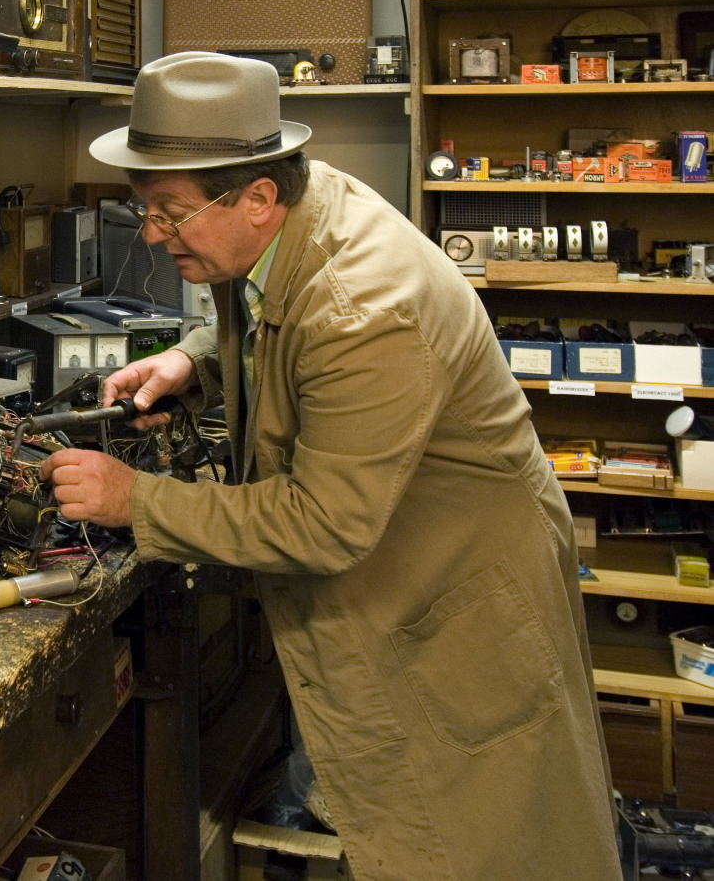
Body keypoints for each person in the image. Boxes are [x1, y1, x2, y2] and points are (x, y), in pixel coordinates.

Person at [39, 52, 620, 881]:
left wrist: (136, 499)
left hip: (455, 598)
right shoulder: (294, 211)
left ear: (259, 197)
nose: (156, 234)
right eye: (145, 208)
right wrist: (195, 360)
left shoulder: (366, 306)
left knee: (479, 842)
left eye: (170, 212)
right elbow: (267, 302)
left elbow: (324, 521)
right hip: (403, 567)